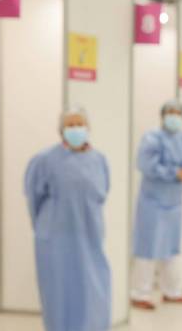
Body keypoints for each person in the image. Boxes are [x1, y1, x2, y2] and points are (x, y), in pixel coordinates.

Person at [24, 106, 111, 331]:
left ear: (88, 128)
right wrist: (45, 229)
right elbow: (33, 197)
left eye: (79, 124)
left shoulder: (99, 160)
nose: (75, 129)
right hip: (55, 240)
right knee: (59, 293)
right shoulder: (45, 160)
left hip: (90, 236)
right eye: (70, 125)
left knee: (94, 289)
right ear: (61, 130)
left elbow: (102, 194)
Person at [130, 99, 182, 309]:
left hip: (175, 203)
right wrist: (174, 173)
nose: (174, 116)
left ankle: (171, 291)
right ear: (163, 115)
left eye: (177, 112)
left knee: (171, 248)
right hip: (152, 202)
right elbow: (145, 164)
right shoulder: (152, 138)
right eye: (170, 112)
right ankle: (139, 293)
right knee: (147, 247)